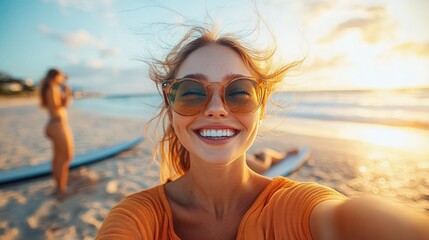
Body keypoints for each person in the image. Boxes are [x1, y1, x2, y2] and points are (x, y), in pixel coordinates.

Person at [96, 26, 429, 239]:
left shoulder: (299, 208)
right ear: (171, 107)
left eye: (239, 91)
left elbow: (355, 220)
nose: (216, 108)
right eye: (191, 92)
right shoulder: (136, 219)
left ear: (262, 107)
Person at [39, 68, 74, 199]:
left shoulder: (51, 88)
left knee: (59, 157)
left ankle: (59, 186)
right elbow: (57, 107)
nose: (62, 78)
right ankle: (61, 189)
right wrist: (65, 93)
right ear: (55, 77)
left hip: (55, 124)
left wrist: (66, 93)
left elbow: (62, 104)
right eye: (61, 76)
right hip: (57, 124)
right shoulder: (52, 88)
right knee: (67, 156)